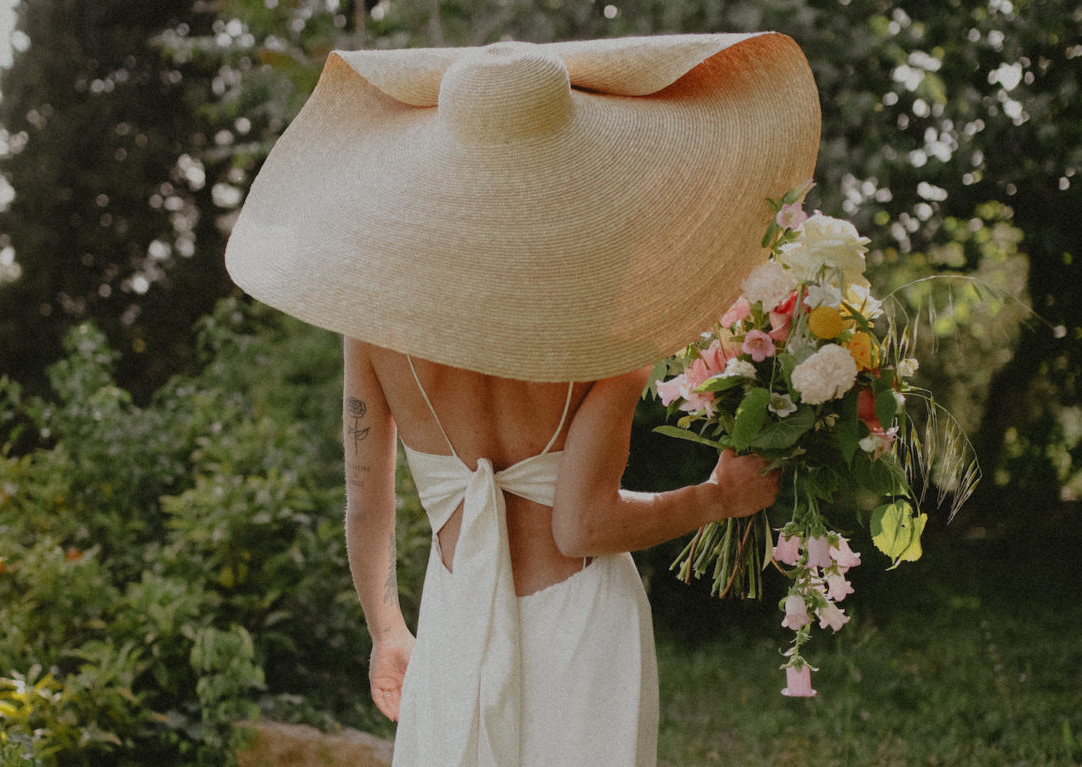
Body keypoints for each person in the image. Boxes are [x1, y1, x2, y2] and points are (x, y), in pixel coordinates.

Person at [226, 32, 820, 767]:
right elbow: (583, 525)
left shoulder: (374, 321)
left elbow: (365, 502)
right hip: (581, 628)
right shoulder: (605, 326)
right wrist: (718, 497)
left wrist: (388, 629)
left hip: (455, 623)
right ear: (563, 172)